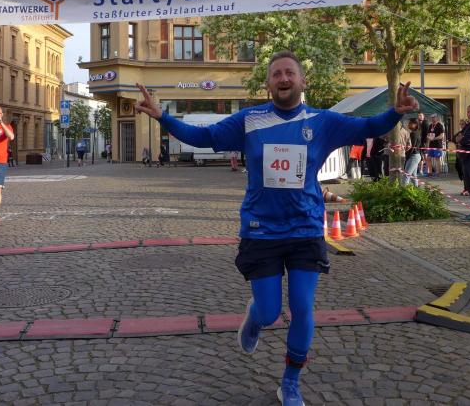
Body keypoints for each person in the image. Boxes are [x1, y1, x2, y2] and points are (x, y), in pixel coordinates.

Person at [134, 51, 418, 406]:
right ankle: (256, 318)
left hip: (305, 227)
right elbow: (203, 136)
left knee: (302, 307)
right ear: (268, 84)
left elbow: (367, 127)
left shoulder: (322, 121)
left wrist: (395, 112)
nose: (283, 78)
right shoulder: (249, 120)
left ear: (302, 81)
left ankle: (290, 382)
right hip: (261, 229)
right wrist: (163, 117)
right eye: (276, 74)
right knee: (270, 313)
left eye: (289, 73)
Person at [403, 118, 422, 186]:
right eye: (409, 123)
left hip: (413, 156)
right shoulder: (416, 133)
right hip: (416, 155)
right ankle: (416, 189)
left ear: (416, 124)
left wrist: (406, 157)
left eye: (411, 123)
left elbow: (411, 147)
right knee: (413, 176)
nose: (409, 124)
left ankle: (403, 190)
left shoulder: (413, 134)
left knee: (406, 175)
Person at [417, 112, 430, 176]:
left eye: (421, 115)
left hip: (424, 143)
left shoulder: (425, 123)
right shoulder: (418, 123)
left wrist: (426, 142)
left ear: (423, 116)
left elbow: (427, 134)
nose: (419, 116)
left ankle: (428, 170)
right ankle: (421, 170)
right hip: (419, 143)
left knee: (425, 156)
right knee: (420, 157)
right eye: (419, 115)